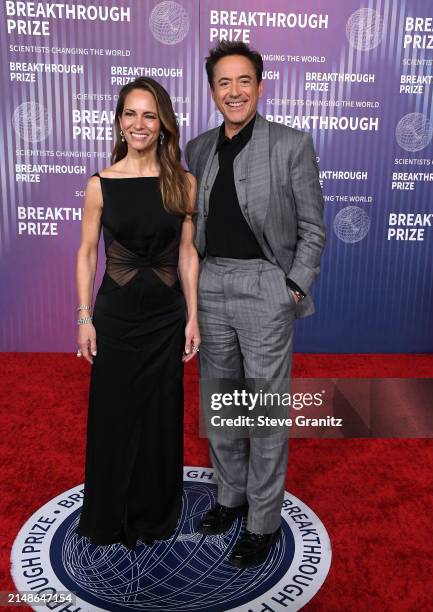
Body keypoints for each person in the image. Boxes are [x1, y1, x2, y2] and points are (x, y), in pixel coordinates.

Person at [185, 41, 325, 568]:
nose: (234, 91)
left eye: (244, 81)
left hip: (266, 285)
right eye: (224, 82)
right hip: (211, 283)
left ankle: (263, 520)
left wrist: (293, 286)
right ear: (212, 91)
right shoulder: (197, 149)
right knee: (221, 402)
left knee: (264, 410)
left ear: (260, 86)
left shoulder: (291, 144)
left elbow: (312, 228)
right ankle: (229, 497)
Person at [75, 77, 199, 549]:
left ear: (163, 123)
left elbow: (188, 254)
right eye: (131, 113)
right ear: (120, 122)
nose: (140, 123)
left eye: (150, 115)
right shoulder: (100, 184)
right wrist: (84, 316)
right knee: (113, 415)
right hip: (116, 318)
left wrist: (193, 317)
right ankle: (108, 515)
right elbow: (87, 253)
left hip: (166, 318)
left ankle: (153, 515)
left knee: (160, 415)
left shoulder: (183, 183)